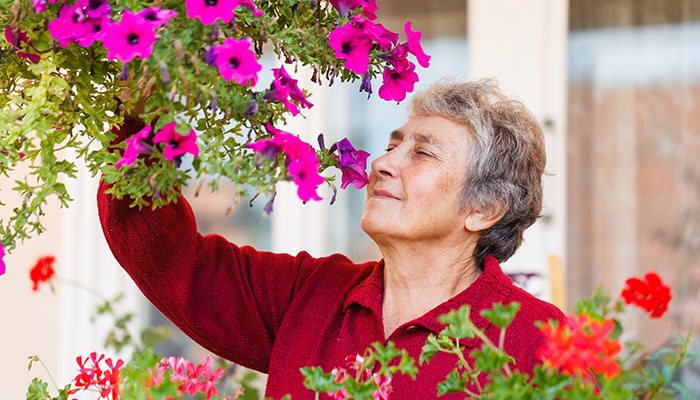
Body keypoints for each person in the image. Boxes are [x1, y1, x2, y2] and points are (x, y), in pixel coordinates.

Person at [98, 78, 565, 399]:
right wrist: (138, 125)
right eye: (390, 145)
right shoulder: (308, 294)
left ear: (484, 209)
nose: (382, 164)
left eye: (421, 153)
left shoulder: (539, 343)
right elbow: (170, 260)